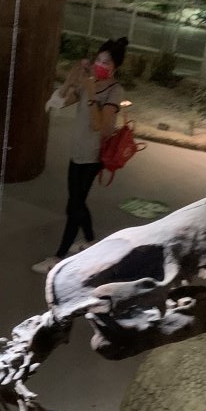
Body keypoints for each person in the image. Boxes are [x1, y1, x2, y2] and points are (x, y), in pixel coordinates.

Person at [32, 37, 128, 275]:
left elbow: (100, 127)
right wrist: (71, 78)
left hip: (93, 157)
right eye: (98, 60)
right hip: (77, 152)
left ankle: (58, 257)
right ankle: (90, 240)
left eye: (106, 62)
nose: (100, 65)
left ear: (115, 67)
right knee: (77, 201)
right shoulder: (89, 83)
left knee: (73, 206)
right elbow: (58, 103)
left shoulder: (114, 91)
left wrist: (91, 92)